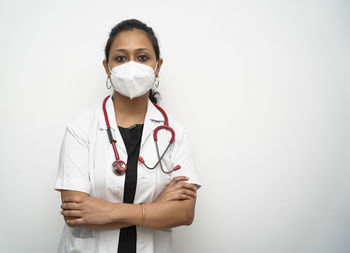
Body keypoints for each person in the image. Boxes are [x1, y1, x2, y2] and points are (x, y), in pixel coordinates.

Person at [54, 19, 201, 253]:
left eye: (142, 57)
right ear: (107, 67)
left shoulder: (175, 132)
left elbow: (184, 213)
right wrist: (156, 208)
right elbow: (75, 214)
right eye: (121, 58)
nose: (131, 66)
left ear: (158, 66)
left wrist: (109, 211)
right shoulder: (81, 129)